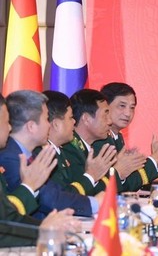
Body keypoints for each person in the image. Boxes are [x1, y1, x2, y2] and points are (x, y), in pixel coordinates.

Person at [0, 90, 101, 218]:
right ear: (31, 126)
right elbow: (48, 199)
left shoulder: (33, 153)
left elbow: (54, 191)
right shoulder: (10, 157)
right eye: (47, 119)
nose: (50, 125)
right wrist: (95, 204)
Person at [0, 94, 76, 248]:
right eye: (6, 122)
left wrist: (45, 228)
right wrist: (43, 231)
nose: (10, 127)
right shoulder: (10, 156)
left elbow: (6, 218)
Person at [93, 82, 158, 191]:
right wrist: (156, 157)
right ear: (105, 106)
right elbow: (124, 185)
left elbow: (130, 180)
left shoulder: (117, 137)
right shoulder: (99, 139)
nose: (128, 113)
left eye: (132, 108)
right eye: (122, 106)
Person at [61, 89, 145, 194]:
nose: (110, 122)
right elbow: (82, 194)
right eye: (105, 115)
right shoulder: (70, 150)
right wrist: (117, 172)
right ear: (86, 119)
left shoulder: (85, 147)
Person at [41, 91, 115, 199]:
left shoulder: (59, 152)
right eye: (70, 118)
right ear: (56, 124)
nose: (74, 121)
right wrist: (91, 176)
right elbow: (60, 198)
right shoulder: (45, 155)